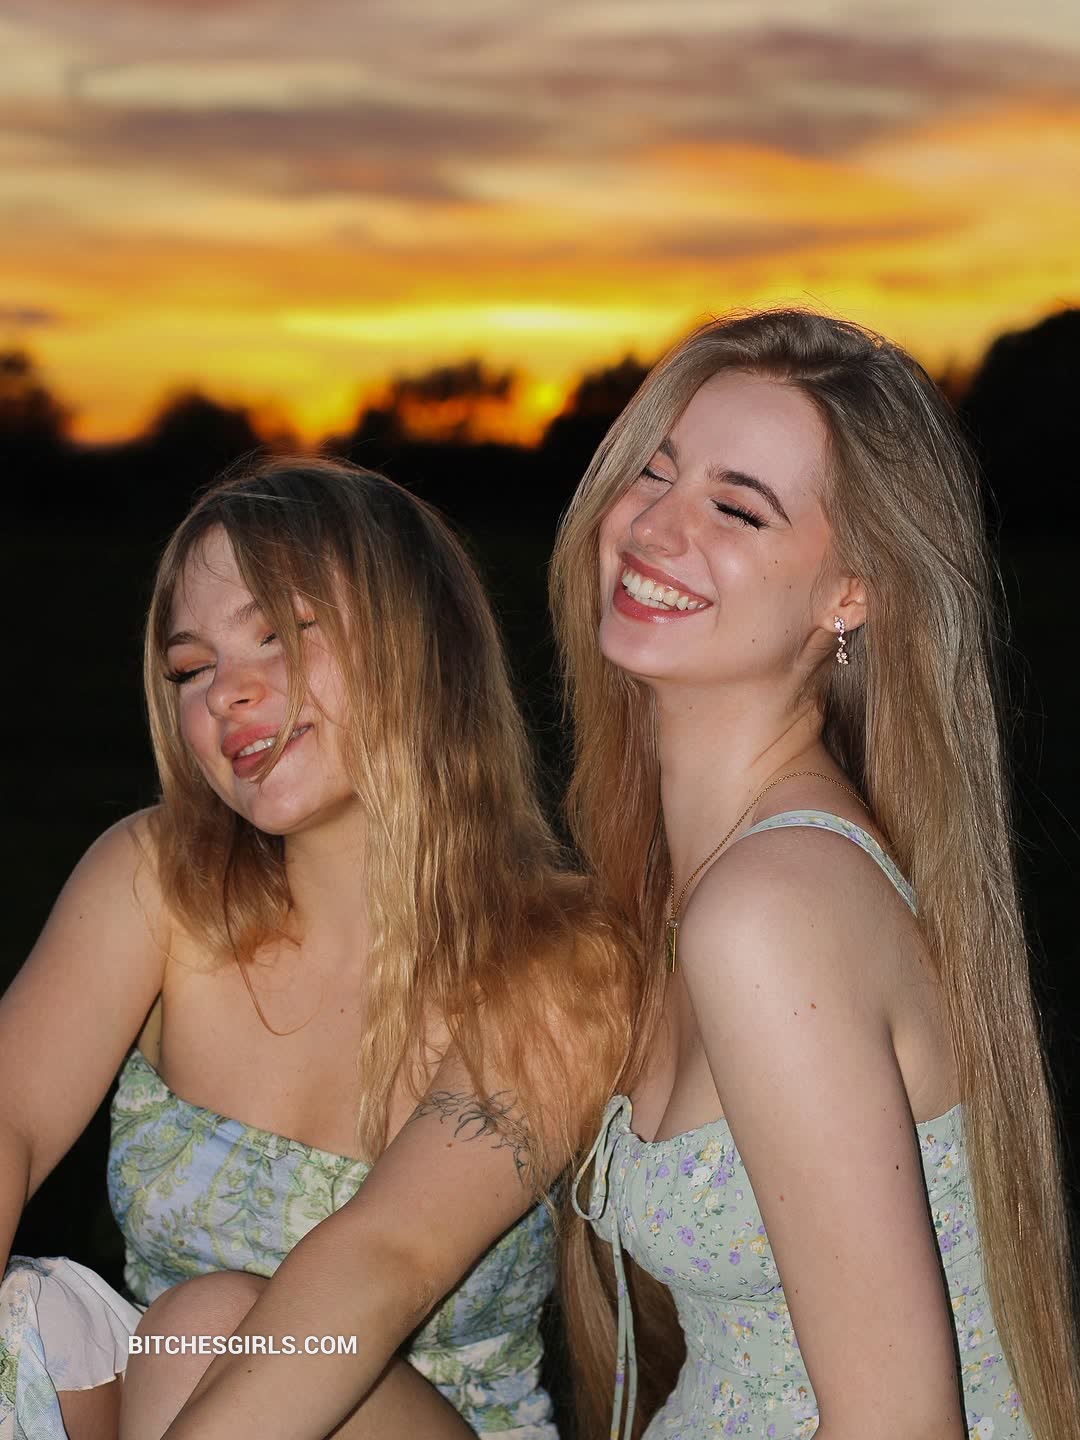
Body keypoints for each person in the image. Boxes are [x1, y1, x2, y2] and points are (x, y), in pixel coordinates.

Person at [0, 456, 629, 1439]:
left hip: (424, 1419)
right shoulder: (158, 879)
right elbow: (11, 1118)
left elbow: (389, 1258)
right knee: (35, 1321)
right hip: (167, 1397)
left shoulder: (562, 956)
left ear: (418, 642)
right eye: (192, 668)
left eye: (283, 634)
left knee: (205, 1329)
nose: (228, 694)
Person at [548, 309, 1080, 1440]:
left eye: (738, 509)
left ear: (851, 592)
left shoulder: (771, 911)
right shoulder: (689, 881)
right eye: (654, 472)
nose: (655, 527)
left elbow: (898, 1424)